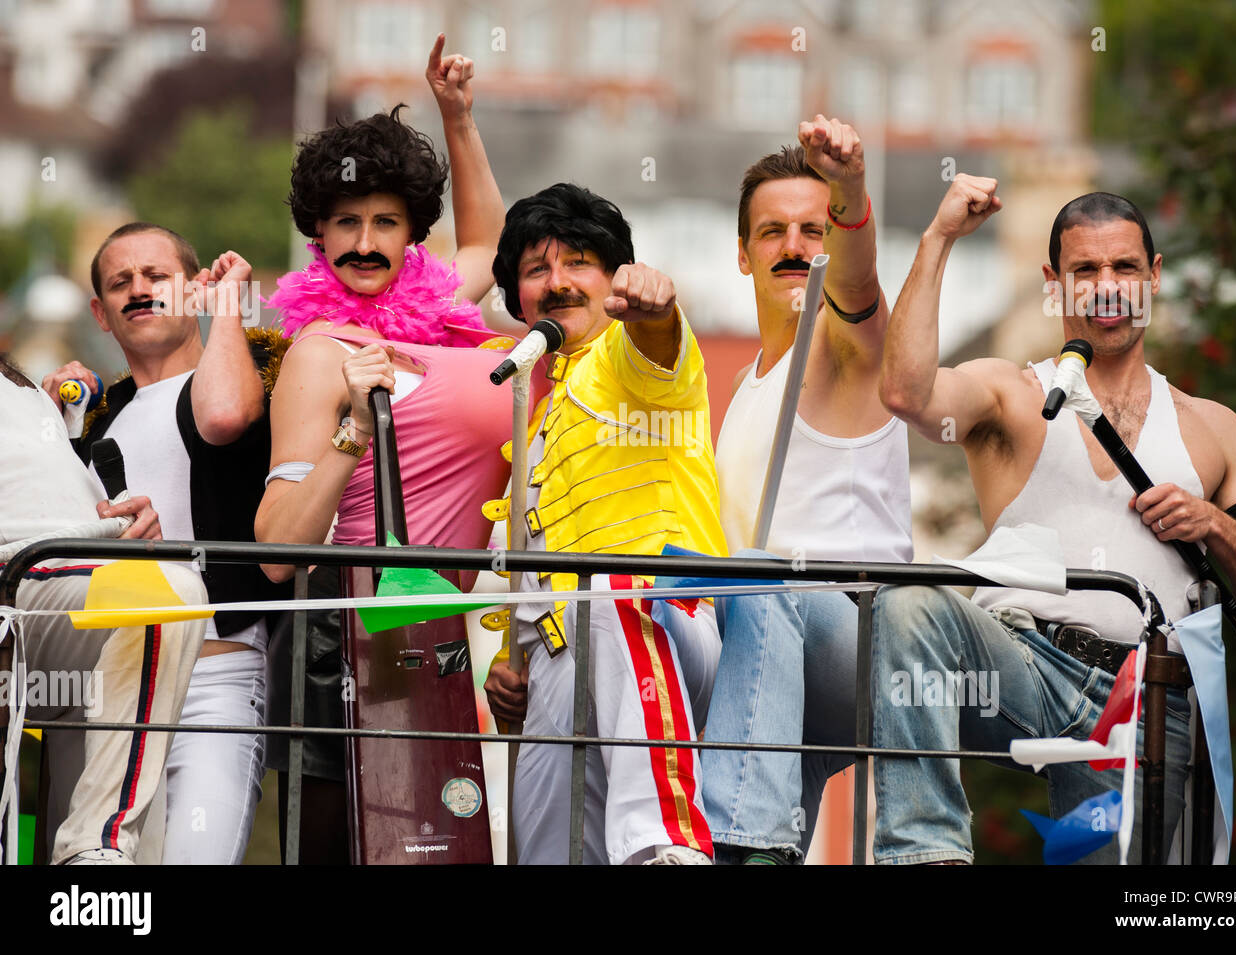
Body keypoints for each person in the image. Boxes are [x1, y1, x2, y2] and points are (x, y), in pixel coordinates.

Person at [872, 176, 1236, 863]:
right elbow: (905, 391)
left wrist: (1214, 526)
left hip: (1141, 699)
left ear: (1154, 276)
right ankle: (925, 852)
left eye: (1125, 266)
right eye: (1086, 269)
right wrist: (939, 236)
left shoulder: (1216, 428)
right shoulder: (1013, 393)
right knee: (910, 604)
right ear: (1054, 281)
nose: (1108, 284)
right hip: (1021, 665)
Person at [254, 34, 510, 862]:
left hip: (437, 624)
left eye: (386, 223)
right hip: (342, 631)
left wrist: (458, 117)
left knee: (443, 845)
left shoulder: (434, 311)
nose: (366, 242)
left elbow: (488, 246)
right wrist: (352, 430)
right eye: (347, 224)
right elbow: (276, 548)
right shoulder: (319, 348)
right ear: (318, 237)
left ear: (411, 236)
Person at [482, 182, 726, 864]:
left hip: (663, 626)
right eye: (536, 270)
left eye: (578, 262)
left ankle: (666, 843)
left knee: (606, 584)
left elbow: (656, 340)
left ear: (615, 278)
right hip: (566, 665)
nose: (557, 284)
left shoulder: (626, 359)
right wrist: (514, 665)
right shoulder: (530, 419)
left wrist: (655, 307)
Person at [700, 116, 911, 864]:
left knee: (758, 575)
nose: (794, 247)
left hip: (859, 630)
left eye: (812, 230)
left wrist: (850, 190)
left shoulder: (851, 346)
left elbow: (855, 285)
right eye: (773, 231)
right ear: (742, 252)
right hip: (767, 647)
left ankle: (740, 841)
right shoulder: (741, 385)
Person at [41, 223, 284, 865]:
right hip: (108, 682)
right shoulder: (97, 416)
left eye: (157, 277)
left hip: (216, 673)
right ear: (100, 312)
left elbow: (224, 415)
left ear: (195, 290)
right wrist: (48, 418)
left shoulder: (248, 370)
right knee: (100, 875)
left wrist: (227, 305)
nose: (139, 291)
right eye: (120, 283)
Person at [1, 353, 206, 864]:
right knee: (166, 592)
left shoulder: (26, 388)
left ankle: (97, 850)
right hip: (18, 577)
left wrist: (125, 530)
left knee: (167, 592)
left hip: (74, 580)